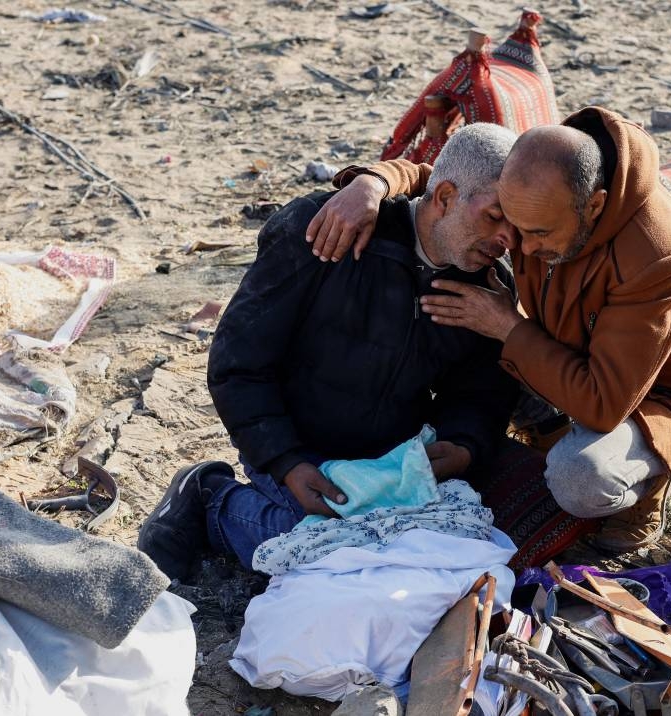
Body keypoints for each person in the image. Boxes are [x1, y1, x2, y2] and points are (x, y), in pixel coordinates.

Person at [307, 106, 671, 553]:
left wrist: (507, 326)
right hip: (570, 353)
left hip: (659, 401)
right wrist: (372, 184)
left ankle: (646, 485)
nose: (522, 246)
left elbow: (604, 405)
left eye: (539, 233)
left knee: (580, 477)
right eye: (512, 224)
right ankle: (551, 430)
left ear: (594, 205)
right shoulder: (542, 175)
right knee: (472, 348)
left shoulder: (660, 257)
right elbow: (443, 179)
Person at [137, 124, 521, 579]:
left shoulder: (487, 283)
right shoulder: (328, 230)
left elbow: (480, 391)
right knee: (321, 551)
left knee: (434, 549)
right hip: (296, 445)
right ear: (445, 197)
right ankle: (210, 497)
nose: (508, 239)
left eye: (515, 225)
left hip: (393, 462)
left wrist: (462, 444)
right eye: (495, 217)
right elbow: (237, 364)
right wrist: (285, 461)